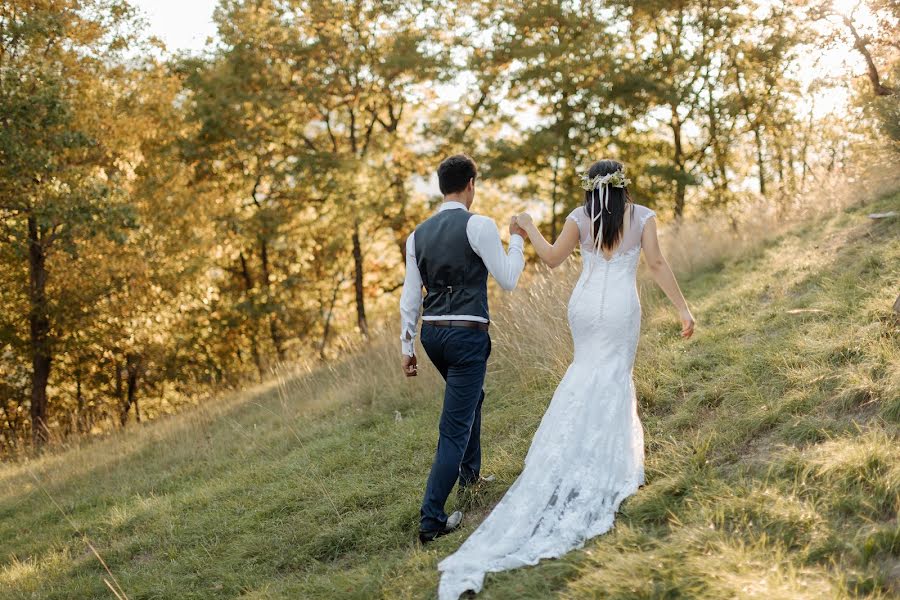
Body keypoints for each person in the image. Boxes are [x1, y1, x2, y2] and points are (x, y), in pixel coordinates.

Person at [436, 158, 695, 599]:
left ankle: (567, 452)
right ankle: (608, 458)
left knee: (584, 373)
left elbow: (553, 259)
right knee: (613, 375)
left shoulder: (580, 218)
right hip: (618, 309)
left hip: (583, 306)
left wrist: (528, 228)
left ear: (589, 188)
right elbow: (655, 264)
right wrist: (684, 309)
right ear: (623, 185)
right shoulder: (643, 217)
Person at [399, 154, 528, 544]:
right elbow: (507, 279)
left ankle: (470, 476)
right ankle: (431, 520)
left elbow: (409, 298)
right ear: (471, 183)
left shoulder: (416, 235)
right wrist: (518, 239)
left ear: (442, 186)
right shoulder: (480, 225)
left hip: (433, 336)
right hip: (467, 335)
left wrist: (407, 345)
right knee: (454, 426)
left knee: (471, 397)